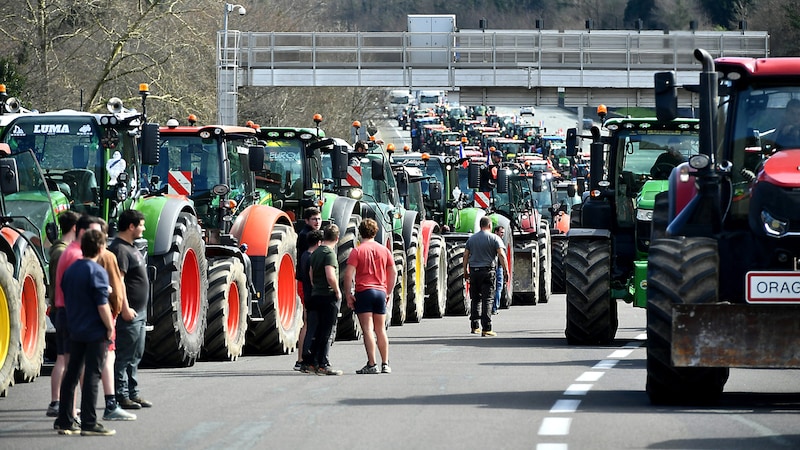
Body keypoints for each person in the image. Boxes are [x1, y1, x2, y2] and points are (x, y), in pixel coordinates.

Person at [54, 229, 116, 436]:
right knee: (92, 374)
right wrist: (109, 326)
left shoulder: (71, 270)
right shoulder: (97, 271)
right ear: (100, 247)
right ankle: (89, 422)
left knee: (71, 374)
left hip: (74, 327)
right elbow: (102, 305)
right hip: (94, 330)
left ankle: (65, 420)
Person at [108, 209, 152, 410]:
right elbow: (120, 283)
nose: (143, 228)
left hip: (140, 313)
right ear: (131, 226)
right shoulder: (119, 250)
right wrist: (125, 309)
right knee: (125, 355)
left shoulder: (131, 247)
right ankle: (121, 395)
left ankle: (133, 393)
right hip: (130, 313)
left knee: (136, 354)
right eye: (141, 224)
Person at [343, 219, 397, 375]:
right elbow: (393, 272)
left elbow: (348, 274)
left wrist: (348, 294)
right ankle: (385, 363)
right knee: (381, 330)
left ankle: (372, 364)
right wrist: (388, 291)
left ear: (360, 232)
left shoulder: (357, 251)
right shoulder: (384, 250)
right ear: (376, 232)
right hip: (380, 291)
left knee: (368, 329)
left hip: (364, 291)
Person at [46, 210, 80, 418]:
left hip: (61, 309)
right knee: (63, 359)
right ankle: (57, 402)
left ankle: (59, 402)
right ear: (75, 228)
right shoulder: (62, 252)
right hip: (64, 309)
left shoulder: (60, 250)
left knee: (64, 359)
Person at [305, 224, 343, 376]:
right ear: (337, 238)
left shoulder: (315, 252)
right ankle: (323, 364)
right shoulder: (329, 253)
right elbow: (330, 275)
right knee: (327, 332)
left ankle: (312, 363)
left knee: (317, 330)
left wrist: (316, 286)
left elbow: (311, 273)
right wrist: (337, 291)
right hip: (328, 297)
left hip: (315, 295)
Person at [463, 216, 509, 337]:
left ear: (480, 225)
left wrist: (465, 271)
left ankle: (474, 326)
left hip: (474, 271)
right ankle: (486, 328)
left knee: (475, 299)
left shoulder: (471, 239)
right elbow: (501, 255)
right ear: (490, 226)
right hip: (488, 271)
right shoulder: (495, 238)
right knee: (487, 299)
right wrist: (506, 270)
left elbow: (465, 256)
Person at [294, 207, 322, 371]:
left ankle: (307, 358)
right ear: (306, 221)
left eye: (318, 219)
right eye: (314, 219)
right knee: (307, 321)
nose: (317, 222)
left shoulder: (308, 234)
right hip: (306, 283)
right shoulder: (306, 236)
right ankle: (301, 359)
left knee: (310, 321)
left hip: (306, 283)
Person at [492, 225, 506, 315]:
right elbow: (502, 256)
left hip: (496, 267)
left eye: (503, 233)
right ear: (496, 232)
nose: (503, 235)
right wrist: (506, 269)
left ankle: (493, 307)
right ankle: (494, 307)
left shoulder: (491, 240)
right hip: (496, 267)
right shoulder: (498, 242)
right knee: (497, 288)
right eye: (501, 233)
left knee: (496, 288)